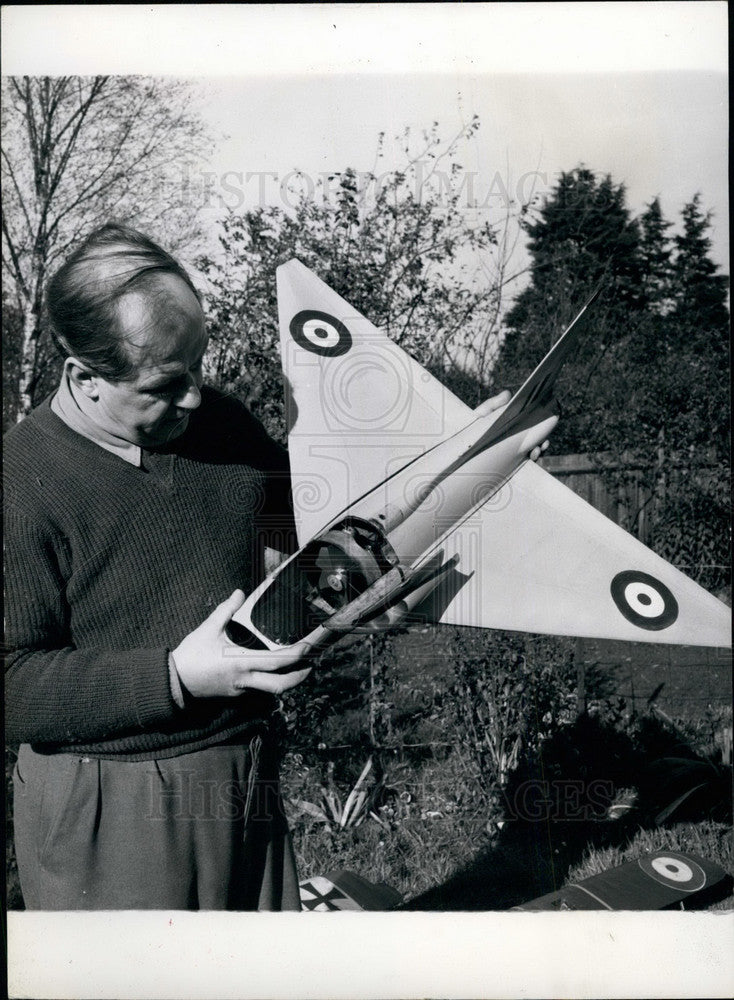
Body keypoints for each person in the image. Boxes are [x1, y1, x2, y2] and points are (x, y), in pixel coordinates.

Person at [4, 223, 312, 910]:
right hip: (111, 804)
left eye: (199, 366)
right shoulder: (18, 481)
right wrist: (173, 676)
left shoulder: (224, 428)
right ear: (85, 379)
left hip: (245, 769)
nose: (196, 396)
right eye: (166, 384)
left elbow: (304, 529)